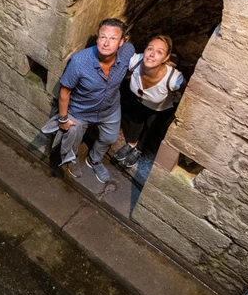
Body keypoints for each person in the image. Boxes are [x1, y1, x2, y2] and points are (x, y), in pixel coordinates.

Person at [44, 18, 135, 184]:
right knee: (71, 142)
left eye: (113, 38)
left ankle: (94, 160)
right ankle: (71, 161)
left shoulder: (128, 51)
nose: (106, 43)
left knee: (109, 138)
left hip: (110, 108)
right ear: (97, 38)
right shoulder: (79, 61)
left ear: (121, 42)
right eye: (102, 37)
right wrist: (63, 119)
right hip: (80, 112)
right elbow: (65, 91)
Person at [112, 35, 184, 169]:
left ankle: (139, 149)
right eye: (149, 49)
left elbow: (186, 89)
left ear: (166, 58)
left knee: (152, 128)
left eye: (159, 52)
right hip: (140, 101)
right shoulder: (136, 61)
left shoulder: (173, 79)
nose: (152, 54)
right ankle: (131, 144)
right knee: (136, 120)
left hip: (160, 108)